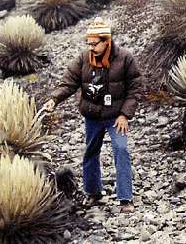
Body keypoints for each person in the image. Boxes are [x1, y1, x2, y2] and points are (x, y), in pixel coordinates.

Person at [43, 17, 142, 213]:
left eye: (94, 44)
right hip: (92, 117)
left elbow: (135, 88)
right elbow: (69, 82)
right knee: (90, 152)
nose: (91, 48)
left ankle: (125, 199)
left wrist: (124, 115)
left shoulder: (125, 58)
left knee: (121, 150)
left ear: (107, 41)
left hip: (116, 117)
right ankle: (93, 193)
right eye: (88, 43)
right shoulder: (83, 59)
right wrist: (54, 99)